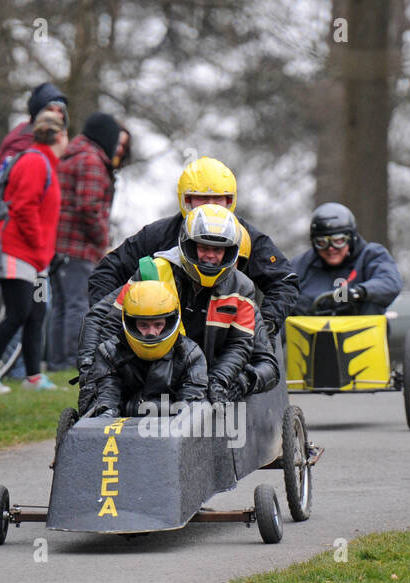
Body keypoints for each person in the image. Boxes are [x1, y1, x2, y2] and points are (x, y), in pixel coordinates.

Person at [88, 156, 298, 338]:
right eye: (202, 198)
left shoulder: (248, 238)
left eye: (217, 200)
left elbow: (284, 281)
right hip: (166, 339)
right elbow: (106, 273)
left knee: (270, 344)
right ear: (185, 200)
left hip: (226, 340)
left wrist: (264, 327)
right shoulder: (158, 234)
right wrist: (120, 329)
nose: (209, 205)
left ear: (230, 201)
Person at [79, 204, 262, 411]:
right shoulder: (152, 270)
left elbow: (240, 344)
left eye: (218, 249)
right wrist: (93, 375)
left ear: (230, 252)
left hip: (203, 377)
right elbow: (111, 323)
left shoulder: (243, 287)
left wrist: (219, 380)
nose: (210, 256)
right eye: (203, 248)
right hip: (145, 373)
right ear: (189, 245)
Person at [0, 108, 69, 394]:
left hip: (34, 256)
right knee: (17, 311)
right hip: (14, 250)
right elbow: (23, 208)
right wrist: (41, 248)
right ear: (60, 136)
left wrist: (43, 253)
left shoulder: (47, 163)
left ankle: (33, 377)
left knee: (37, 312)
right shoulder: (35, 162)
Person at [47, 111, 125, 371]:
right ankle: (72, 363)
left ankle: (57, 362)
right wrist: (103, 241)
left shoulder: (71, 156)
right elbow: (89, 208)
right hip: (78, 248)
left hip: (59, 247)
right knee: (77, 306)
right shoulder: (91, 161)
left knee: (60, 306)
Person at [85, 280, 208, 417]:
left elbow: (192, 404)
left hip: (173, 428)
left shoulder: (190, 354)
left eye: (158, 324)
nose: (151, 333)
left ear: (170, 321)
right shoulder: (109, 353)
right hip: (122, 429)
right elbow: (107, 400)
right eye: (143, 325)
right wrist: (106, 415)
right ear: (131, 322)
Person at [291, 202, 403, 313]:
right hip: (312, 329)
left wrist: (359, 293)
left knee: (372, 301)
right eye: (322, 242)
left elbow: (390, 282)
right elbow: (280, 290)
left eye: (338, 241)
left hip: (361, 329)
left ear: (351, 238)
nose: (331, 249)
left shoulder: (371, 255)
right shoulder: (302, 265)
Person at [0, 83, 69, 175]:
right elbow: (6, 175)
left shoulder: (55, 140)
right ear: (38, 113)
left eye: (60, 111)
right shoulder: (26, 138)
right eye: (50, 110)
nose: (56, 115)